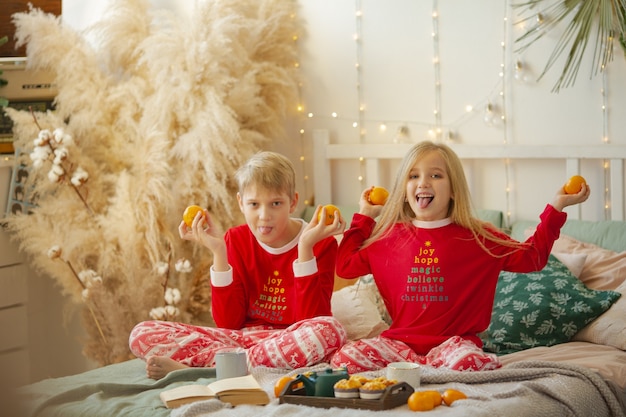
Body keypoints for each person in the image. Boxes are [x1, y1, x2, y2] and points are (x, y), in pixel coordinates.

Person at [330, 141, 590, 373]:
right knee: (344, 359)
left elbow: (532, 258)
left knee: (468, 362)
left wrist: (557, 207)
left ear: (453, 190)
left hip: (454, 346)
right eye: (413, 176)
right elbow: (346, 266)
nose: (423, 182)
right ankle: (423, 367)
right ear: (403, 190)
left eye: (435, 175)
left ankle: (429, 367)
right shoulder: (388, 236)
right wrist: (364, 216)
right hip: (399, 345)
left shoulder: (478, 236)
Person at [129, 151, 348, 379]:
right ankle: (235, 364)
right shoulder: (234, 239)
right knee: (141, 333)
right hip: (241, 339)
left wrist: (305, 249)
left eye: (275, 203)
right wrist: (219, 252)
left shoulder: (320, 243)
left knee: (330, 332)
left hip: (291, 339)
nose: (264, 215)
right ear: (240, 203)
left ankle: (209, 368)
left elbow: (311, 321)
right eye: (254, 204)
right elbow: (228, 323)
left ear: (292, 202)